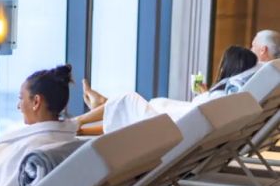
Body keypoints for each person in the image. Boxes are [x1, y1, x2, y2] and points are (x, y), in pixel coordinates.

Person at [77, 46, 259, 134]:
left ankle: (79, 121)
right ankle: (89, 120)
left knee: (129, 99)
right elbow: (210, 109)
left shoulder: (224, 95)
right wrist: (206, 93)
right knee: (144, 108)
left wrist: (207, 95)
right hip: (180, 128)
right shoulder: (234, 96)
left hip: (173, 132)